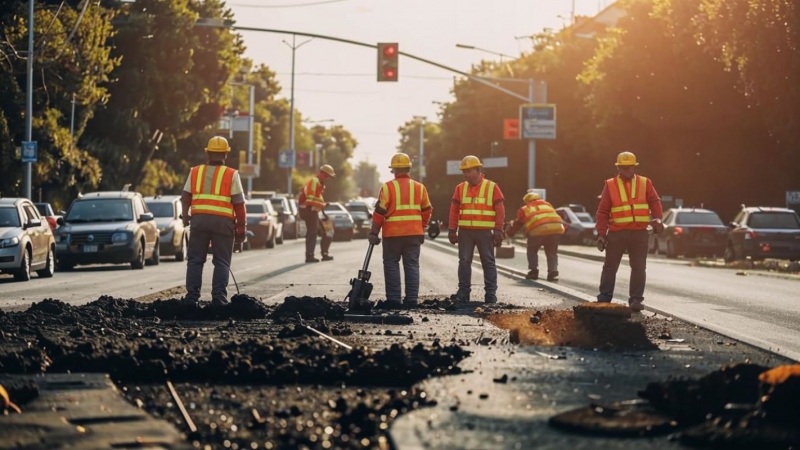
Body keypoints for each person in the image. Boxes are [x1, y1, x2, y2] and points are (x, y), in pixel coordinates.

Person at [180, 136, 247, 306]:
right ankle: (219, 298)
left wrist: (185, 217)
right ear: (225, 154)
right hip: (223, 223)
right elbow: (239, 204)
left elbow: (185, 197)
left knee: (195, 260)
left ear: (208, 153)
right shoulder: (231, 174)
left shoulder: (195, 171)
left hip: (199, 221)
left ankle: (191, 298)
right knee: (222, 262)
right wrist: (241, 228)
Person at [595, 151, 664, 311]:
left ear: (634, 167)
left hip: (639, 232)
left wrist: (658, 219)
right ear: (618, 168)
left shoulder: (645, 182)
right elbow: (603, 211)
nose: (627, 170)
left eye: (630, 167)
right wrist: (601, 233)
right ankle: (604, 298)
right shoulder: (610, 185)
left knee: (639, 267)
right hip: (617, 233)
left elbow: (654, 201)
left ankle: (636, 300)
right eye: (624, 168)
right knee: (610, 267)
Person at [369, 153, 433, 308]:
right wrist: (422, 228)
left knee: (391, 264)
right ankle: (411, 300)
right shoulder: (420, 187)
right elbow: (427, 210)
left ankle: (394, 300)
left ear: (393, 170)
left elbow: (379, 212)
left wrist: (374, 232)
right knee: (411, 265)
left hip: (393, 234)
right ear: (409, 168)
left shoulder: (388, 187)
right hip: (413, 234)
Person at [448, 155, 506, 304]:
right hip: (465, 232)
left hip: (485, 232)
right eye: (464, 171)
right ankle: (463, 293)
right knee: (464, 261)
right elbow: (454, 210)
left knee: (488, 262)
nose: (465, 174)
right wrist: (452, 229)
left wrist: (499, 229)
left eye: (468, 171)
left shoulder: (492, 187)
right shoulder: (460, 188)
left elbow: (500, 209)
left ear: (478, 170)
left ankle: (490, 295)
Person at [506, 190, 565, 282]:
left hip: (537, 230)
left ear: (526, 201)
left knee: (532, 250)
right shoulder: (547, 204)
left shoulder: (524, 209)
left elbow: (518, 224)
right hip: (555, 229)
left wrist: (509, 233)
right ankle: (552, 272)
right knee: (551, 252)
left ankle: (533, 271)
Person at [298, 165, 336, 263]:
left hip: (313, 210)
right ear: (323, 174)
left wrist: (322, 207)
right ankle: (309, 256)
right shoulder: (314, 182)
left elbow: (317, 199)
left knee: (327, 231)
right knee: (312, 232)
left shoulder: (320, 184)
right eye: (327, 176)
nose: (327, 179)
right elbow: (309, 200)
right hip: (307, 210)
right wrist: (322, 205)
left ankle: (324, 254)